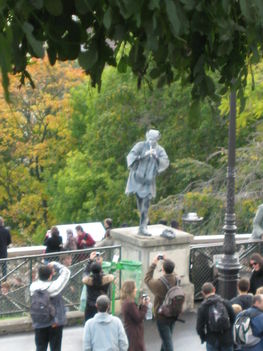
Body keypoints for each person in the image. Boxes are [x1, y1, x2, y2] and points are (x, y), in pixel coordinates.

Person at [125, 129, 169, 236]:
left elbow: (165, 162)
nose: (151, 142)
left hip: (148, 181)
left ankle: (142, 227)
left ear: (157, 139)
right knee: (140, 203)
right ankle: (144, 218)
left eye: (153, 140)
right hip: (137, 179)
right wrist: (143, 155)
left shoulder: (159, 150)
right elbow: (131, 157)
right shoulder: (140, 145)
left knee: (146, 203)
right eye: (149, 139)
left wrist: (156, 157)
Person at [30, 261, 70, 351]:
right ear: (51, 275)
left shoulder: (33, 287)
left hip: (39, 322)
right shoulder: (54, 287)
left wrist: (44, 269)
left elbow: (39, 278)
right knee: (55, 348)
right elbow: (66, 272)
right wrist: (55, 264)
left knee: (40, 347)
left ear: (38, 275)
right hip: (55, 321)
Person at [144, 255, 177, 351]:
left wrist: (154, 264)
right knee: (167, 338)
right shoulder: (177, 279)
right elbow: (172, 271)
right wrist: (167, 261)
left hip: (162, 315)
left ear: (162, 269)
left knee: (167, 341)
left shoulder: (159, 284)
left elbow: (147, 279)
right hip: (174, 312)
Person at [196, 282, 235, 351]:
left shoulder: (202, 307)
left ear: (203, 293)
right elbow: (233, 318)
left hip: (212, 340)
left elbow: (199, 328)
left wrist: (204, 338)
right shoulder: (225, 302)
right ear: (214, 289)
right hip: (226, 339)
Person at [82, 251, 114, 321]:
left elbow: (85, 272)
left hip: (90, 305)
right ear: (100, 270)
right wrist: (100, 264)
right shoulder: (106, 279)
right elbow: (103, 275)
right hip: (103, 304)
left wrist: (90, 261)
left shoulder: (88, 281)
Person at [121, 280, 148, 351]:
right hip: (134, 332)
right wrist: (145, 306)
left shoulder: (126, 301)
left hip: (131, 331)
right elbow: (138, 318)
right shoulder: (130, 304)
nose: (136, 289)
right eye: (135, 288)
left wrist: (141, 305)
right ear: (131, 290)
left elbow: (135, 314)